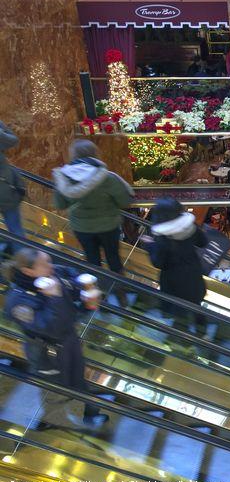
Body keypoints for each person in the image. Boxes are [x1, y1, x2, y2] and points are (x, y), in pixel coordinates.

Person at [4, 249, 108, 428]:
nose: (51, 267)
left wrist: (86, 290)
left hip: (68, 341)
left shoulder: (51, 274)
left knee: (78, 377)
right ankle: (50, 420)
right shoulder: (18, 303)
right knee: (55, 388)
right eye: (45, 264)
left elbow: (71, 278)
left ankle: (91, 412)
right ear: (28, 271)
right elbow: (53, 327)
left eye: (49, 261)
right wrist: (56, 297)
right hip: (47, 353)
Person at [53, 140, 134, 276]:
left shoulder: (64, 178)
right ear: (95, 154)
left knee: (92, 259)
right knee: (113, 258)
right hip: (108, 226)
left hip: (81, 227)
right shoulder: (108, 178)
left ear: (73, 155)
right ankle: (120, 291)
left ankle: (96, 289)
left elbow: (60, 204)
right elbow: (124, 201)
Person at [143, 199, 208, 332]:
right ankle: (203, 334)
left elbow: (158, 262)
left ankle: (182, 341)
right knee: (196, 305)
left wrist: (150, 245)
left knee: (180, 315)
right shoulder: (189, 226)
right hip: (193, 276)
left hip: (174, 282)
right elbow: (203, 242)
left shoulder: (162, 238)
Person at [0, 121, 25, 251]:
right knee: (16, 231)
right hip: (5, 188)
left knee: (16, 231)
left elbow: (13, 141)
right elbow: (12, 141)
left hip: (5, 188)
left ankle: (22, 266)